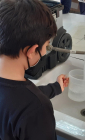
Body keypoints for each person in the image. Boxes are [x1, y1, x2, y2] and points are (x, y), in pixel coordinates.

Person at [0, 0, 69, 140]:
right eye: (46, 45)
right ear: (31, 51)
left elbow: (13, 96)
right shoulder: (37, 109)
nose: (45, 51)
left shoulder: (21, 99)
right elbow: (27, 101)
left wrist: (55, 88)